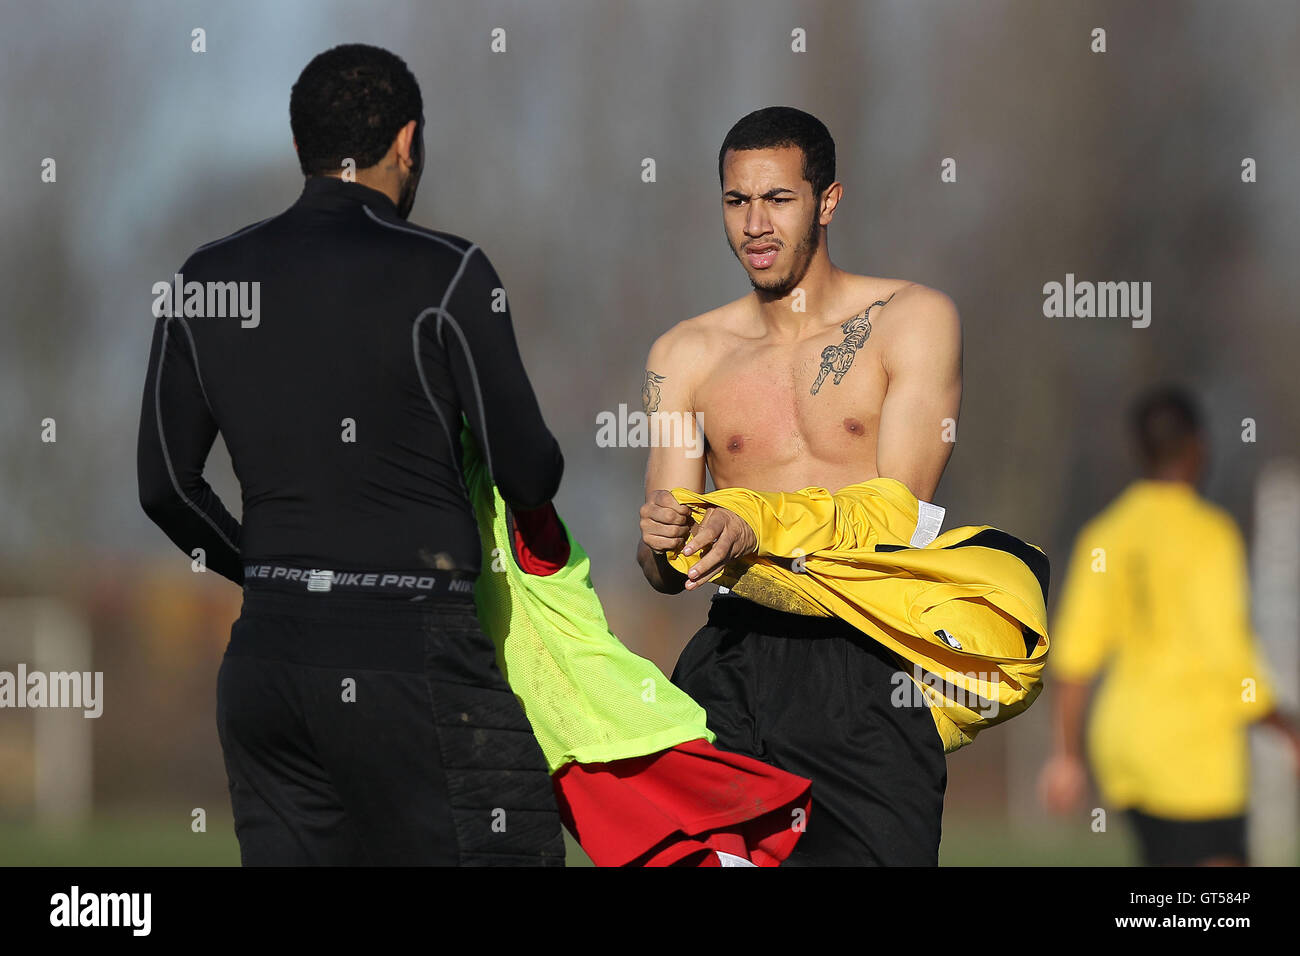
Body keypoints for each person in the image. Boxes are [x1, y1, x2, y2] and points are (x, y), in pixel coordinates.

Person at [137, 44, 565, 865]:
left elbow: (165, 488)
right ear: (408, 141)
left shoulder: (203, 279)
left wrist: (273, 572)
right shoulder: (450, 273)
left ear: (301, 144)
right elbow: (529, 473)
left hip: (268, 666)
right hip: (416, 665)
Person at [637, 106, 963, 865]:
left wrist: (756, 525)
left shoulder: (913, 319)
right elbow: (663, 569)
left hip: (869, 658)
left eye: (778, 199)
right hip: (732, 659)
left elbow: (898, 513)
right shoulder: (682, 354)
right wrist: (662, 543)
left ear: (827, 201)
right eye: (737, 201)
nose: (755, 224)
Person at [1039, 385, 1300, 865]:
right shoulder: (1212, 535)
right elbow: (1230, 658)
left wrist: (1067, 757)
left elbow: (1075, 657)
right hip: (1194, 757)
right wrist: (1285, 728)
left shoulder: (1106, 535)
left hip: (1125, 748)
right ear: (1199, 445)